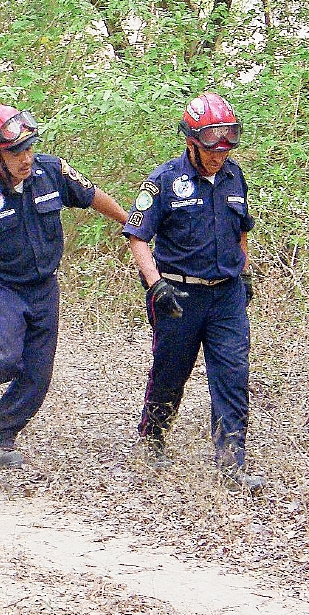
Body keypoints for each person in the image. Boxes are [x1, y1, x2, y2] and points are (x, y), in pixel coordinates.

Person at [0, 105, 128, 467]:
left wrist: (130, 223)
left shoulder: (51, 172)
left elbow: (92, 195)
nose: (26, 158)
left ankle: (1, 434)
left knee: (38, 374)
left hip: (43, 287)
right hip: (1, 287)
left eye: (29, 148)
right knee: (7, 358)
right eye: (15, 152)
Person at [123, 93, 264, 492]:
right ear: (191, 142)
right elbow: (137, 237)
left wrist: (245, 273)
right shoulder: (164, 180)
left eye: (225, 146)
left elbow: (241, 230)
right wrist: (157, 285)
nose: (219, 155)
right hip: (179, 299)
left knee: (233, 375)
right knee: (171, 373)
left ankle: (230, 462)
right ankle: (152, 438)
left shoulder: (235, 177)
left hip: (226, 297)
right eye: (211, 147)